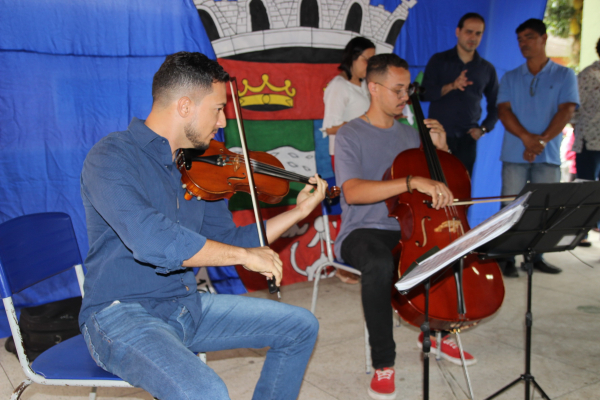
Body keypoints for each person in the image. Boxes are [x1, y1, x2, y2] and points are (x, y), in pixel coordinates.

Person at [79, 52, 328, 400]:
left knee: (301, 326)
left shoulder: (199, 170)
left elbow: (226, 240)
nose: (224, 121)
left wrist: (297, 213)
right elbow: (152, 240)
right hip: (120, 315)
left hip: (184, 306)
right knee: (207, 391)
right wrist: (243, 255)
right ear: (184, 106)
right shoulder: (111, 157)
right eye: (218, 109)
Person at [334, 53, 475, 400]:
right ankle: (385, 363)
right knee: (380, 264)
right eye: (398, 90)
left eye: (408, 89)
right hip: (362, 231)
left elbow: (447, 190)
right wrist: (410, 181)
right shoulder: (350, 134)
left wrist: (440, 151)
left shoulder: (413, 135)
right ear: (374, 88)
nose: (405, 97)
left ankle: (439, 333)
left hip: (412, 226)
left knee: (448, 249)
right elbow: (352, 192)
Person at [497, 19, 579, 277]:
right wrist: (527, 138)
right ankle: (506, 257)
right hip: (515, 153)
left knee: (545, 207)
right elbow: (503, 110)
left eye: (529, 37)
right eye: (520, 39)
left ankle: (536, 257)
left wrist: (540, 141)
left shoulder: (565, 75)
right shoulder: (510, 76)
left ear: (544, 38)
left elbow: (567, 109)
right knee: (511, 207)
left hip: (548, 154)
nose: (524, 43)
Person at [322, 36, 375, 284]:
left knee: (366, 209)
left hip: (367, 156)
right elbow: (331, 126)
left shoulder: (365, 86)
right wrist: (363, 125)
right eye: (367, 59)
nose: (371, 64)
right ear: (353, 58)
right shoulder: (338, 86)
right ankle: (343, 264)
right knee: (350, 209)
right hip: (345, 156)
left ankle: (361, 259)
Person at [422, 12, 499, 176]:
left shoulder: (486, 69)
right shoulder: (439, 60)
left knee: (461, 190)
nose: (473, 37)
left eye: (478, 33)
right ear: (458, 32)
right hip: (437, 135)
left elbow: (496, 106)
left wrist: (483, 129)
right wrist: (452, 85)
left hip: (467, 139)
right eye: (469, 32)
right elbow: (424, 94)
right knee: (433, 185)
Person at [571, 37, 600, 246]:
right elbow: (573, 108)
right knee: (586, 189)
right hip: (589, 142)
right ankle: (581, 232)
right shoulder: (588, 75)